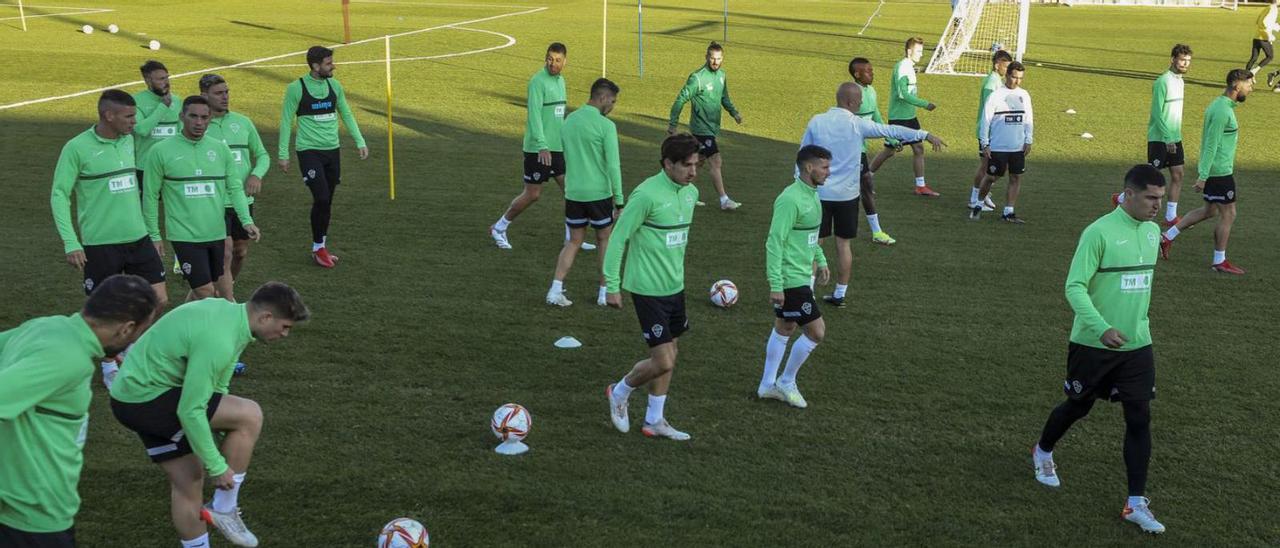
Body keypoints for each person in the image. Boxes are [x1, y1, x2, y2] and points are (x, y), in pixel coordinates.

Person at [109, 282, 309, 548]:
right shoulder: (220, 339)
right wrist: (218, 465)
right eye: (285, 326)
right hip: (148, 399)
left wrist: (220, 424)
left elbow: (217, 389)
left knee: (189, 481)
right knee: (250, 415)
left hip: (129, 396)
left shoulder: (227, 316)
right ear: (266, 317)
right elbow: (190, 410)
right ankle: (224, 507)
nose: (285, 334)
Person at [1031, 165, 1167, 535]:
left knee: (1139, 418)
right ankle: (1043, 451)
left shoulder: (1153, 232)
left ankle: (1135, 503)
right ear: (1129, 194)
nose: (1158, 206)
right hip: (1093, 343)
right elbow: (1074, 286)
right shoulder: (1098, 233)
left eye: (1161, 198)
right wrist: (1101, 327)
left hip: (1138, 344)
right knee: (1079, 405)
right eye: (1151, 198)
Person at [0, 275, 159, 548]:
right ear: (126, 329)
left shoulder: (45, 326)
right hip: (34, 516)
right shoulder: (68, 359)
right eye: (140, 332)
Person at [51, 89, 170, 387]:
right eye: (129, 116)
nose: (134, 122)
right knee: (106, 311)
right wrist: (71, 242)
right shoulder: (77, 148)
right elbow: (59, 194)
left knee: (159, 299)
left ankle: (126, 350)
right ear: (109, 115)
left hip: (138, 237)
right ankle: (108, 367)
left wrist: (153, 233)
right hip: (100, 243)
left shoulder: (129, 140)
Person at [798, 82, 944, 307]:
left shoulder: (817, 121)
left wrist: (798, 185)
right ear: (850, 102)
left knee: (814, 243)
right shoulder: (857, 124)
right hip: (847, 197)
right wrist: (925, 134)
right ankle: (840, 294)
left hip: (820, 194)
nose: (862, 103)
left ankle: (806, 294)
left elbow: (802, 154)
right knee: (843, 245)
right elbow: (891, 130)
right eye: (859, 100)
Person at [603, 134, 701, 441]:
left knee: (672, 350)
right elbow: (618, 238)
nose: (693, 172)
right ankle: (619, 391)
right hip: (647, 289)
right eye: (687, 165)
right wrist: (612, 284)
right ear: (667, 164)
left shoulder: (690, 193)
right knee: (663, 360)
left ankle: (654, 420)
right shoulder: (646, 195)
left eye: (696, 165)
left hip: (675, 286)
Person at [143, 96, 260, 301]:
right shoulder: (160, 151)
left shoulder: (220, 149)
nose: (199, 123)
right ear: (182, 117)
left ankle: (183, 327)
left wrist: (247, 221)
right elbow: (150, 196)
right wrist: (154, 234)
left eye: (204, 117)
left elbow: (234, 188)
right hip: (184, 235)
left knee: (208, 293)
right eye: (193, 116)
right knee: (207, 293)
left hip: (216, 232)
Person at [491, 43, 596, 252]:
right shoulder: (538, 82)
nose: (553, 64)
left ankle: (571, 238)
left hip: (557, 147)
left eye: (557, 60)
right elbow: (535, 117)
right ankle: (499, 227)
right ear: (545, 58)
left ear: (565, 62)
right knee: (533, 194)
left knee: (571, 191)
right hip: (538, 149)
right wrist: (542, 146)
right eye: (550, 59)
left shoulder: (561, 81)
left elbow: (557, 115)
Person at [278, 45, 368, 268]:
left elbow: (346, 113)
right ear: (315, 66)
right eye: (328, 63)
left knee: (328, 201)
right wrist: (283, 154)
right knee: (322, 197)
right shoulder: (296, 89)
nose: (333, 66)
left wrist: (360, 141)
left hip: (332, 151)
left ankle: (320, 247)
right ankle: (319, 248)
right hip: (309, 152)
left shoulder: (334, 86)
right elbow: (286, 120)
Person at [757, 145, 831, 408]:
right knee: (817, 331)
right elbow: (774, 242)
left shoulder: (812, 195)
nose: (828, 172)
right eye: (824, 167)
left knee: (785, 327)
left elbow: (811, 235)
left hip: (803, 275)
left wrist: (820, 260)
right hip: (790, 279)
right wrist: (776, 285)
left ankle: (767, 385)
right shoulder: (790, 199)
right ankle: (786, 381)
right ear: (809, 167)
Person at [1159, 69, 1252, 275]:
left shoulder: (1221, 105)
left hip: (1215, 170)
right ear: (1237, 86)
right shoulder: (1222, 111)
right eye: (1249, 85)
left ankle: (1167, 236)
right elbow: (1211, 144)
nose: (1251, 88)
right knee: (1229, 214)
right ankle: (1219, 261)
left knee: (1209, 211)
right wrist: (1203, 176)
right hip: (1219, 172)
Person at [546, 78, 622, 307]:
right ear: (603, 97)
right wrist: (619, 200)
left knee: (573, 242)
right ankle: (603, 293)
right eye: (613, 101)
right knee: (604, 241)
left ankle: (555, 289)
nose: (613, 106)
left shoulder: (569, 121)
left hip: (574, 193)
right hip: (599, 194)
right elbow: (613, 166)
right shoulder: (606, 126)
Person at [200, 74, 268, 301]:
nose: (225, 97)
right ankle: (226, 298)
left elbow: (262, 155)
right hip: (213, 202)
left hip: (242, 201)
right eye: (219, 93)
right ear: (204, 95)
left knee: (240, 252)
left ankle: (226, 286)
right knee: (226, 252)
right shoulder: (200, 126)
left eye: (226, 92)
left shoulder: (243, 122)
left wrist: (256, 175)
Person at [1115, 44, 1192, 227]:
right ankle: (1121, 198)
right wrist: (1167, 139)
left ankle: (1170, 216)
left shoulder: (1180, 81)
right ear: (1172, 59)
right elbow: (1157, 113)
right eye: (1182, 60)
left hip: (1175, 136)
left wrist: (1174, 137)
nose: (1185, 64)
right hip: (1160, 137)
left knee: (1178, 174)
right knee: (1151, 177)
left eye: (1188, 61)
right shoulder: (1162, 82)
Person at [667, 41, 744, 210]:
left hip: (712, 127)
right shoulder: (697, 78)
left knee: (698, 161)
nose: (715, 62)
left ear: (722, 58)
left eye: (718, 58)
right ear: (706, 57)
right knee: (716, 161)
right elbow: (681, 99)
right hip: (701, 129)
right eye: (712, 58)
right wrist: (673, 123)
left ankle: (684, 195)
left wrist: (734, 113)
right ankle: (724, 200)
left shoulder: (722, 75)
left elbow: (724, 98)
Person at [868, 36, 940, 197]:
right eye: (918, 51)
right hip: (900, 117)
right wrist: (924, 104)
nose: (921, 54)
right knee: (889, 151)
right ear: (909, 51)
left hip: (910, 116)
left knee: (918, 148)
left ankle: (920, 186)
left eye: (922, 51)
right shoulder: (902, 67)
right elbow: (902, 94)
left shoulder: (909, 66)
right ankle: (865, 179)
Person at [971, 61, 1033, 223]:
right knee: (991, 177)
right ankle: (978, 204)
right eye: (1014, 77)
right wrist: (985, 143)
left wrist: (1029, 139)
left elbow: (1029, 119)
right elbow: (986, 120)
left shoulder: (1024, 95)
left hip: (1017, 146)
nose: (1017, 81)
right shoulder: (996, 95)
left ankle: (1008, 212)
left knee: (1015, 178)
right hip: (998, 146)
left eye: (1020, 78)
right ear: (1007, 75)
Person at [848, 57, 899, 245]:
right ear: (857, 74)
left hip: (859, 148)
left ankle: (876, 231)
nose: (872, 73)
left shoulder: (871, 91)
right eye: (868, 71)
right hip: (850, 149)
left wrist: (890, 137)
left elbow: (876, 114)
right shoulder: (853, 94)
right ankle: (876, 231)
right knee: (865, 184)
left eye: (872, 70)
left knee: (865, 184)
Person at [971, 50, 1013, 214]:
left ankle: (984, 193)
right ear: (997, 65)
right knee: (985, 167)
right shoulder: (991, 83)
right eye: (1006, 66)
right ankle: (974, 198)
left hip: (994, 131)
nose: (1007, 71)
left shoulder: (996, 81)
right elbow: (989, 110)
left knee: (991, 167)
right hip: (987, 131)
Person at [132, 60, 182, 189]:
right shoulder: (136, 101)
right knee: (147, 205)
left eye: (166, 78)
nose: (166, 82)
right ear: (148, 80)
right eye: (160, 79)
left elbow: (182, 132)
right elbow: (142, 129)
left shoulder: (177, 101)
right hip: (146, 165)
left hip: (173, 164)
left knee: (176, 205)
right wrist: (163, 107)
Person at [1246, 0, 1279, 88]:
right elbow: (1265, 22)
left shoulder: (1268, 7)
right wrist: (1269, 34)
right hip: (1264, 38)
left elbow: (1258, 20)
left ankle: (1246, 79)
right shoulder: (1274, 9)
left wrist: (1276, 27)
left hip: (1256, 36)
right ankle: (1253, 72)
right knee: (1270, 56)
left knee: (1253, 58)